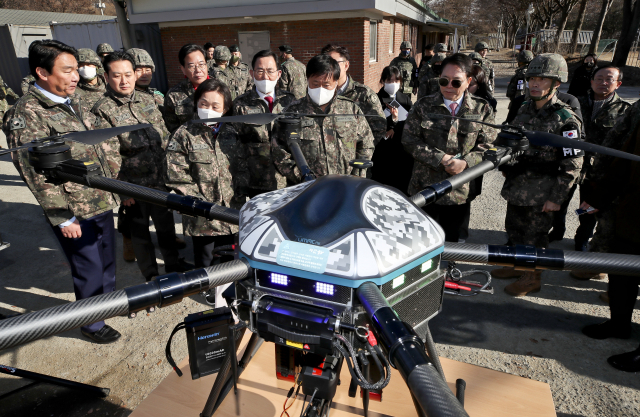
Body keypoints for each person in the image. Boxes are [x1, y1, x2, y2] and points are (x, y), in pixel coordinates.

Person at [4, 40, 121, 344]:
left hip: (100, 197)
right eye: (67, 70)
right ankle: (92, 323)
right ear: (42, 72)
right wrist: (61, 216)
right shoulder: (27, 114)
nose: (75, 77)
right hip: (73, 208)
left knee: (107, 259)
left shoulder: (76, 99)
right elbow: (32, 172)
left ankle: (107, 305)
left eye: (76, 70)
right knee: (89, 267)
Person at [92, 51, 191, 281]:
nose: (124, 80)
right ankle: (151, 276)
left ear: (135, 75)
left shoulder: (149, 100)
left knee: (166, 228)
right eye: (117, 75)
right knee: (140, 234)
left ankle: (173, 265)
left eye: (128, 74)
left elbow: (165, 136)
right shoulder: (102, 110)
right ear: (107, 77)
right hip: (134, 187)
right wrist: (122, 189)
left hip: (160, 181)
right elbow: (108, 157)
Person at [492, 53, 584, 297]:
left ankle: (532, 278)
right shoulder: (524, 107)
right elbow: (510, 137)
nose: (534, 84)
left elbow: (573, 162)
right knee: (514, 230)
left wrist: (557, 198)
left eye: (542, 79)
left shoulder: (566, 119)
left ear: (556, 83)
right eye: (532, 78)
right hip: (518, 184)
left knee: (535, 237)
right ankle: (518, 267)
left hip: (542, 191)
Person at [402, 53, 497, 243]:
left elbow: (488, 145)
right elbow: (409, 139)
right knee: (424, 241)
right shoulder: (423, 106)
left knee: (453, 242)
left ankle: (451, 272)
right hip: (425, 188)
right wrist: (440, 159)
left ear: (469, 81)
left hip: (459, 190)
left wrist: (465, 163)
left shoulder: (481, 109)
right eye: (444, 80)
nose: (448, 86)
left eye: (456, 82)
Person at [579, 99, 640, 373]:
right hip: (633, 214)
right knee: (622, 274)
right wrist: (599, 198)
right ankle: (619, 324)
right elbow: (623, 162)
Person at [165, 79, 240, 269]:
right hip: (202, 214)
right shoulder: (184, 134)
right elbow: (175, 174)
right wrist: (199, 202)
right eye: (203, 104)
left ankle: (226, 295)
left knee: (229, 258)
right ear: (196, 103)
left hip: (230, 211)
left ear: (224, 109)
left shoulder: (232, 132)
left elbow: (242, 167)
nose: (208, 109)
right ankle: (207, 293)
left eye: (215, 106)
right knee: (205, 260)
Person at [272, 54, 375, 182]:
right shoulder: (292, 112)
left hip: (346, 185)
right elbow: (279, 152)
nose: (320, 89)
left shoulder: (350, 110)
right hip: (307, 189)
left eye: (326, 85)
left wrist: (356, 175)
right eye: (315, 84)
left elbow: (366, 144)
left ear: (336, 83)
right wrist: (302, 176)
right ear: (307, 80)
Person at [571, 65, 630, 279]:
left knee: (589, 207)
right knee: (560, 200)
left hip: (598, 171)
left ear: (618, 84)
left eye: (609, 79)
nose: (603, 82)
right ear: (591, 81)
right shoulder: (575, 103)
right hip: (572, 163)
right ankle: (557, 232)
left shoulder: (625, 110)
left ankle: (582, 241)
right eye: (599, 78)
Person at [233, 50, 296, 198]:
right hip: (255, 181)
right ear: (252, 73)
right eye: (260, 71)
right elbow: (236, 144)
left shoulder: (290, 101)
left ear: (279, 73)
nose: (265, 76)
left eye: (270, 71)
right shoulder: (241, 104)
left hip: (288, 180)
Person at [321, 44, 386, 145]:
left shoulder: (363, 94)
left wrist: (360, 153)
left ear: (346, 65)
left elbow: (379, 129)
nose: (329, 67)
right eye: (326, 63)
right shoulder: (319, 93)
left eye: (334, 63)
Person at [371, 66, 413, 194]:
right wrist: (390, 123)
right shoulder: (375, 100)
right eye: (389, 80)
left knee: (401, 185)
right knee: (383, 184)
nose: (393, 84)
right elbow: (372, 124)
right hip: (383, 149)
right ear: (383, 81)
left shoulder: (405, 99)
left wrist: (396, 125)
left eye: (396, 80)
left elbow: (411, 122)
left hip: (402, 148)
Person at [163, 44, 209, 134]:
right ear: (183, 69)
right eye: (191, 66)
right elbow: (171, 128)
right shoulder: (173, 95)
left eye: (201, 64)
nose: (198, 70)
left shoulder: (220, 88)